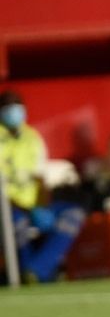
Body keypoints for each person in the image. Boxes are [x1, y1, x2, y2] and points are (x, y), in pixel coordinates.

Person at [0, 90, 84, 283]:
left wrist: (41, 206)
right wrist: (23, 208)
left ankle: (35, 271)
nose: (13, 111)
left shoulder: (32, 137)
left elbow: (39, 177)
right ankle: (32, 274)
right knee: (17, 224)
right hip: (7, 206)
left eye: (17, 106)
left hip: (31, 203)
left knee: (73, 214)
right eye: (7, 106)